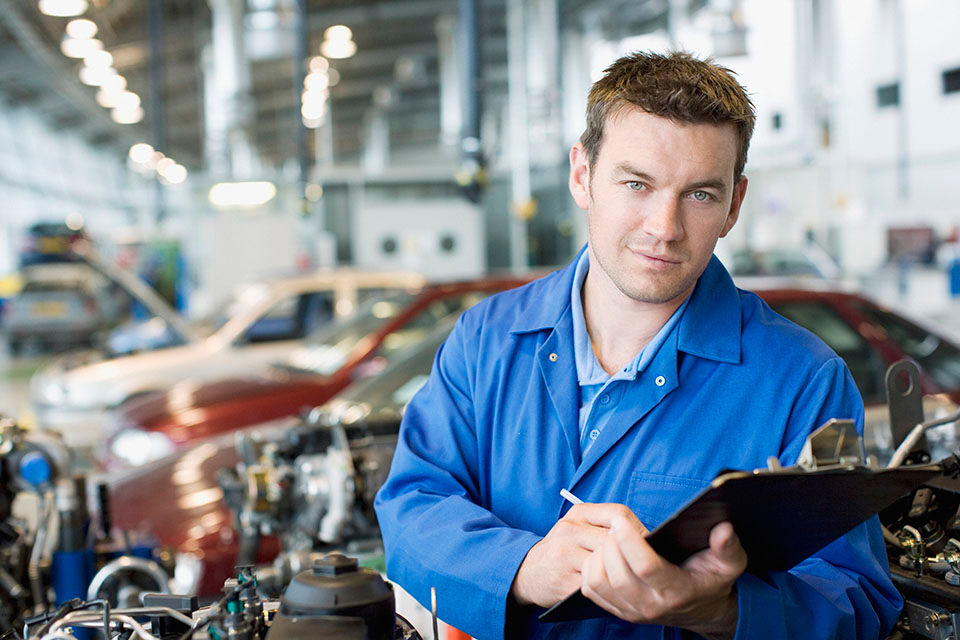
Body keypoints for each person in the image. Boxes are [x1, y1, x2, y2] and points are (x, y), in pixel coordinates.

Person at [374, 51, 901, 639]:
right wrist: (522, 568)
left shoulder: (801, 379)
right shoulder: (487, 340)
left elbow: (857, 601)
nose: (664, 226)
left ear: (734, 204)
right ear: (582, 176)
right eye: (636, 183)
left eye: (699, 194)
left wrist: (723, 612)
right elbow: (413, 504)